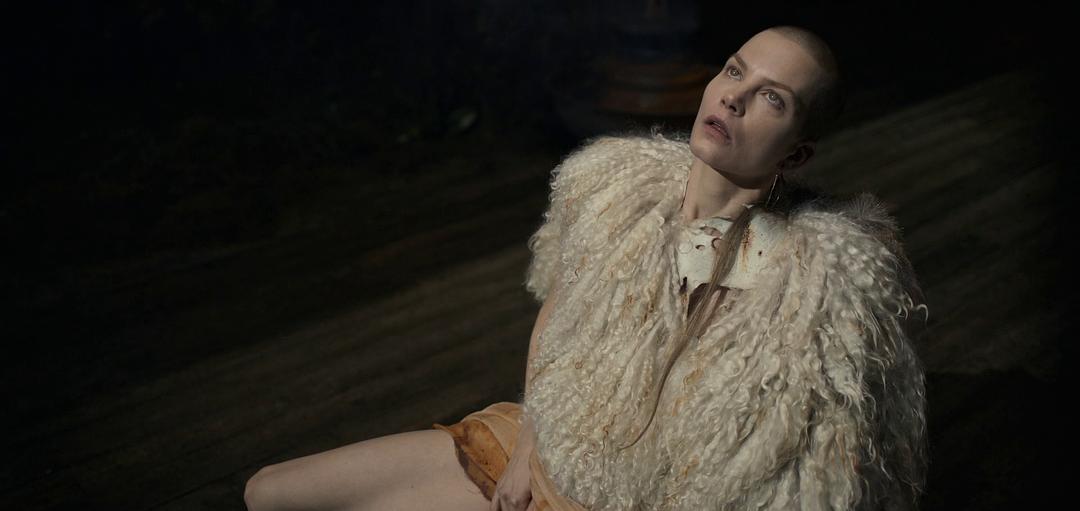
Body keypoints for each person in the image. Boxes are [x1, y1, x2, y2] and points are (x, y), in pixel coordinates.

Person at [244, 25, 929, 511]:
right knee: (267, 492)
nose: (734, 98)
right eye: (733, 71)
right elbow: (559, 314)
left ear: (796, 153)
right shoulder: (619, 191)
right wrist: (527, 445)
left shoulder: (801, 278)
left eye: (772, 98)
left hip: (616, 497)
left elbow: (773, 471)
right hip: (545, 446)